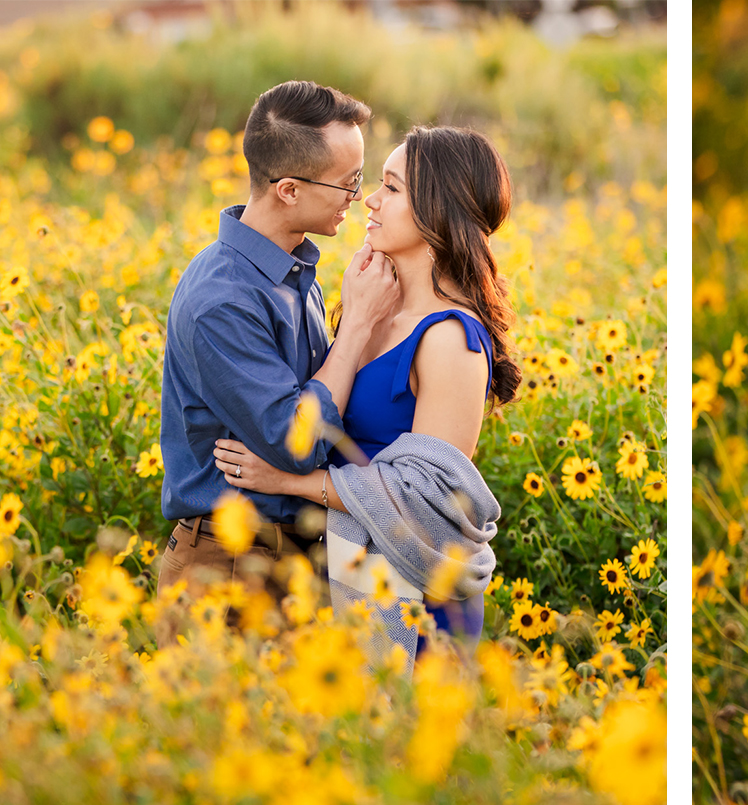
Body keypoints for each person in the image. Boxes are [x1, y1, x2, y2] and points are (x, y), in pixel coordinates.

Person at [213, 126, 523, 662]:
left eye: (392, 188)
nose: (369, 200)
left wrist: (288, 480)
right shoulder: (375, 306)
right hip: (354, 570)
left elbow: (425, 500)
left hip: (417, 593)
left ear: (436, 212)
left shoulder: (450, 338)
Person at [157, 80, 401, 629]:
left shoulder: (293, 272)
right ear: (288, 189)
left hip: (289, 555)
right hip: (230, 566)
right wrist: (358, 324)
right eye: (348, 182)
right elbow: (300, 441)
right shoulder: (221, 300)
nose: (358, 198)